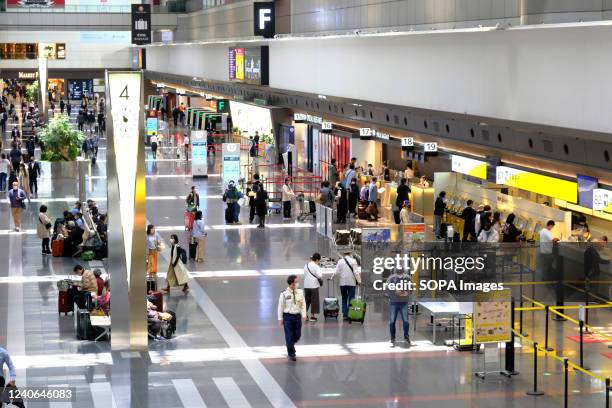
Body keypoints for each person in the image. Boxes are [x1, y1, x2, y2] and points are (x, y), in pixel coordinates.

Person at [277, 274, 306, 362]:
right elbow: (280, 307)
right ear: (291, 283)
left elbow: (303, 304)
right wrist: (280, 319)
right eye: (296, 282)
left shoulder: (300, 292)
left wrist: (304, 314)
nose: (298, 283)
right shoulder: (284, 294)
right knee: (289, 336)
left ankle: (290, 344)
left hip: (297, 316)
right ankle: (291, 353)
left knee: (297, 335)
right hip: (288, 317)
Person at [332, 250, 361, 320]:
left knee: (344, 298)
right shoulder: (353, 261)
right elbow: (356, 272)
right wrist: (359, 281)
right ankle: (350, 314)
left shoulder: (340, 261)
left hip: (343, 283)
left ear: (344, 254)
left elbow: (336, 271)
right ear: (350, 253)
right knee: (351, 299)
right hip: (351, 282)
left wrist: (331, 277)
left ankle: (345, 314)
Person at [386, 269, 411, 345]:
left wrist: (407, 292)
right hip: (394, 302)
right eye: (398, 275)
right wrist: (395, 290)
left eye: (401, 275)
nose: (400, 276)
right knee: (392, 321)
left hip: (404, 302)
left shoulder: (407, 278)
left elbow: (411, 288)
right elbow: (387, 287)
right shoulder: (391, 278)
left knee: (405, 321)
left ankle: (406, 336)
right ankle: (393, 337)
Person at [303, 253, 323, 322]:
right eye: (319, 260)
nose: (319, 262)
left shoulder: (306, 265)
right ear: (317, 259)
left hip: (306, 285)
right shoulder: (316, 266)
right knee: (314, 301)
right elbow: (320, 275)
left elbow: (305, 274)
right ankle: (312, 316)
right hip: (314, 286)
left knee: (307, 300)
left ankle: (305, 315)